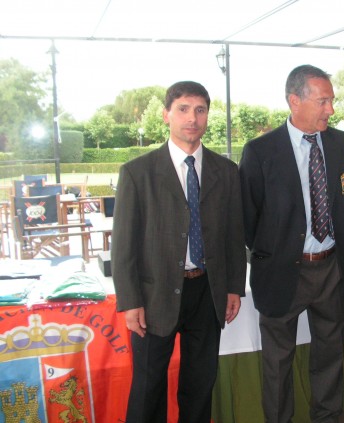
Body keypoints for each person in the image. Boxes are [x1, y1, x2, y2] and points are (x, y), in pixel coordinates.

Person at [112, 81, 247, 423]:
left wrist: (234, 286)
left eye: (200, 110)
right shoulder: (137, 172)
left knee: (200, 383)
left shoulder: (226, 171)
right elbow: (123, 244)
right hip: (154, 294)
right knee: (148, 386)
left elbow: (234, 235)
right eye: (184, 109)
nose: (193, 118)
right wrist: (129, 301)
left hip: (208, 291)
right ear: (166, 115)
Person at [239, 64, 344, 423]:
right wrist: (274, 253)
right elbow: (247, 218)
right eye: (323, 101)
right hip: (281, 272)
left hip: (331, 267)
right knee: (277, 362)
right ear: (294, 101)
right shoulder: (260, 151)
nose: (331, 110)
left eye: (332, 101)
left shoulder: (339, 143)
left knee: (330, 354)